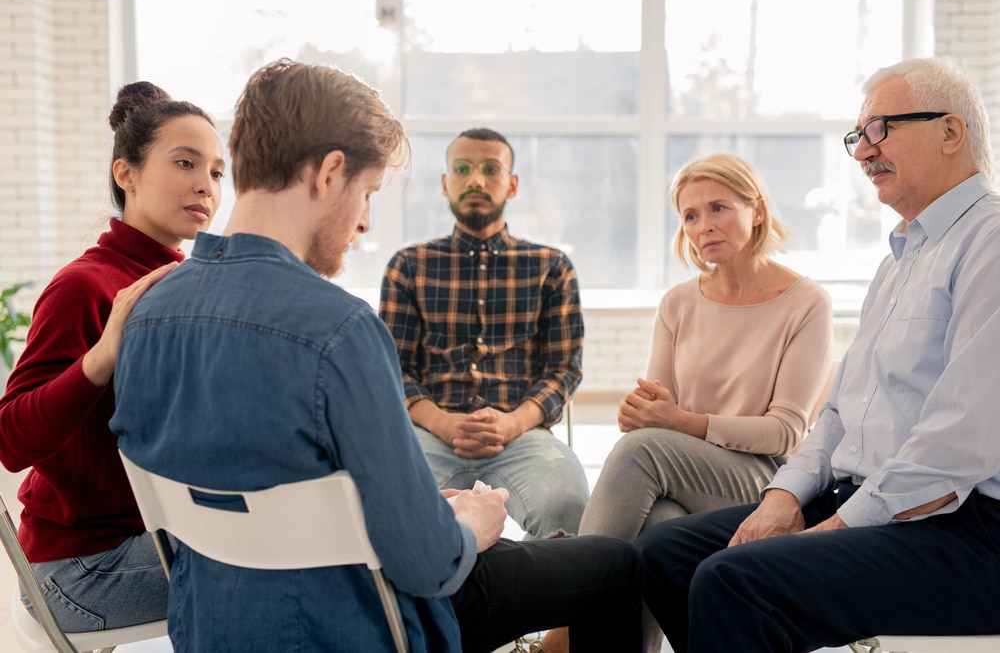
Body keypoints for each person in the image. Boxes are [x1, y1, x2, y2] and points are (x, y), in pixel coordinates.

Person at [109, 59, 641, 653]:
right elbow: (429, 566)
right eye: (367, 194)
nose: (363, 222)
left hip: (211, 621)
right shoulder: (337, 329)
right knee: (617, 564)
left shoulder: (146, 311)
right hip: (360, 622)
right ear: (330, 173)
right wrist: (471, 524)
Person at [635, 56, 1000, 653]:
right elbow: (837, 411)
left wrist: (834, 530)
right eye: (858, 136)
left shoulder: (991, 243)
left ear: (951, 131)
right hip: (869, 496)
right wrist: (783, 499)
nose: (861, 152)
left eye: (879, 129)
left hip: (965, 527)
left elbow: (957, 442)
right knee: (663, 553)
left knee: (735, 580)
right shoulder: (900, 258)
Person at [573, 153, 833, 652]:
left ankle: (565, 627)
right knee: (659, 522)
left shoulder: (805, 302)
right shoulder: (677, 303)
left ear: (756, 210)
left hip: (769, 479)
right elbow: (659, 414)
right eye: (690, 216)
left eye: (718, 208)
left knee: (641, 452)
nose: (702, 226)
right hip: (689, 472)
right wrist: (642, 412)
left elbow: (785, 433)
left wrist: (676, 422)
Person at [0, 82, 224, 631]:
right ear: (126, 174)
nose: (206, 185)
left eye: (218, 172)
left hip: (150, 534)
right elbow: (9, 440)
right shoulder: (85, 286)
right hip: (79, 569)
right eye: (185, 163)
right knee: (292, 570)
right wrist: (101, 358)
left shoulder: (183, 284)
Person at [378, 128, 589, 539]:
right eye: (462, 168)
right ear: (445, 184)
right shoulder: (408, 265)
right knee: (384, 507)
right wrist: (442, 423)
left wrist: (512, 423)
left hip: (522, 432)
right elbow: (390, 369)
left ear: (511, 184)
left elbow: (564, 370)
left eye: (491, 169)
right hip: (428, 433)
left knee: (570, 507)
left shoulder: (551, 266)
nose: (475, 180)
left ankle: (535, 598)